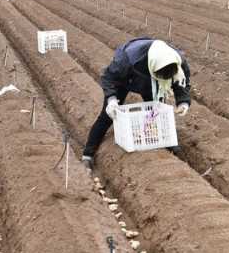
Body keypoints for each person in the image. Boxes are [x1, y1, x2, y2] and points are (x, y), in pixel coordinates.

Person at [81, 38, 192, 170]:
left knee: (155, 112)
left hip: (153, 82)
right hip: (125, 80)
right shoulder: (127, 59)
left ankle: (168, 144)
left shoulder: (176, 61)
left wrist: (183, 101)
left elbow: (181, 81)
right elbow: (108, 77)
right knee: (107, 117)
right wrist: (111, 99)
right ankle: (88, 155)